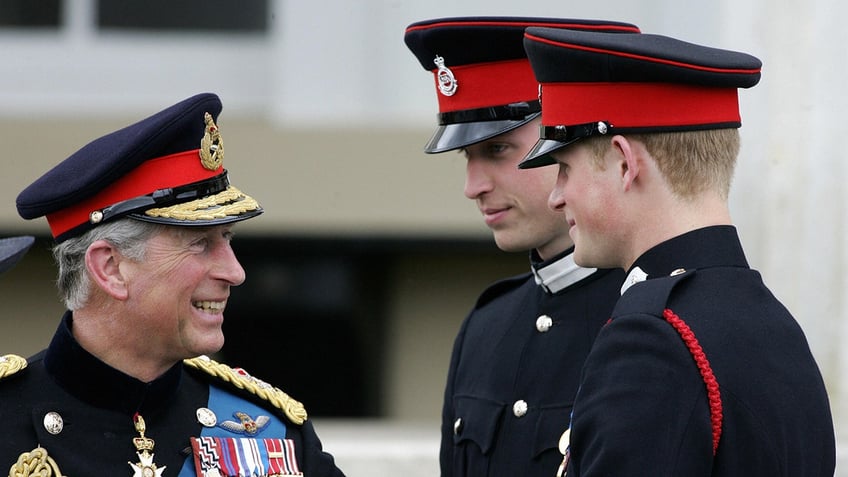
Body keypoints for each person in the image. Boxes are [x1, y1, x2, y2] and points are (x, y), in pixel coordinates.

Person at [518, 27, 836, 476]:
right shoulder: (776, 327)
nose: (556, 197)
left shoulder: (651, 342)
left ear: (625, 164)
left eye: (565, 169)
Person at [0, 93, 345, 477]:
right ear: (110, 267)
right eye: (200, 243)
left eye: (227, 239)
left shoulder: (270, 433)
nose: (235, 272)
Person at [404, 17, 638, 476]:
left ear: (570, 139)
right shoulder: (486, 325)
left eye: (497, 150)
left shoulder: (649, 319)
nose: (473, 187)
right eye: (466, 156)